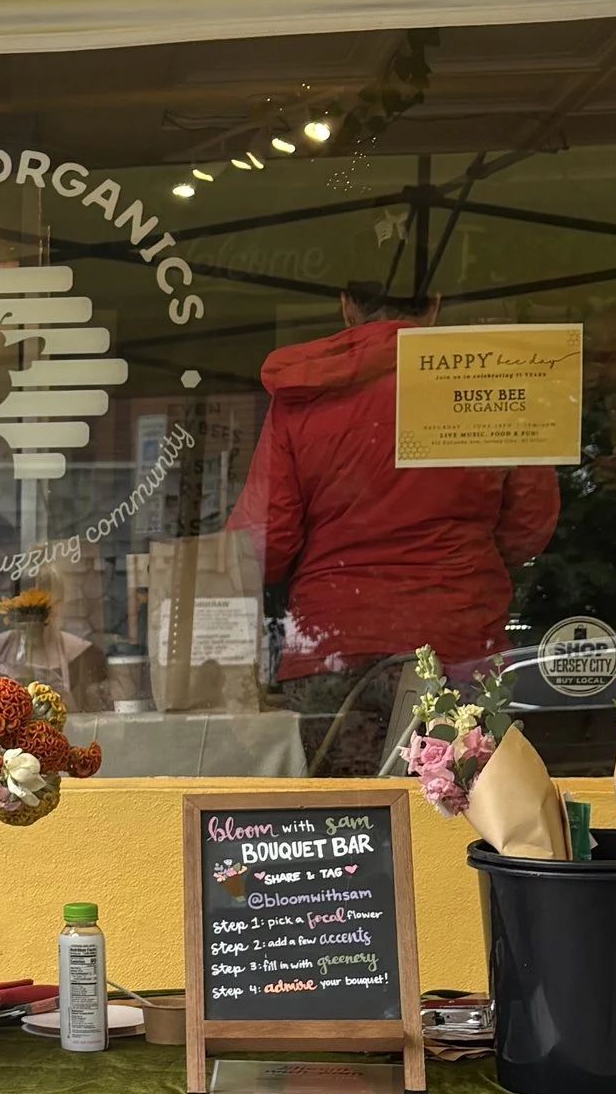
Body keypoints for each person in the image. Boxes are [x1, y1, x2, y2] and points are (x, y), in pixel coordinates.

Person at [231, 282, 562, 776]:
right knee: (460, 812)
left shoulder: (305, 393)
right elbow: (529, 525)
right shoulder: (486, 382)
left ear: (347, 306)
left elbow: (266, 540)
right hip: (456, 635)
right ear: (434, 305)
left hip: (333, 643)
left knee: (349, 824)